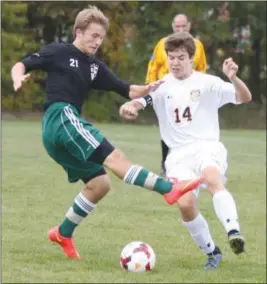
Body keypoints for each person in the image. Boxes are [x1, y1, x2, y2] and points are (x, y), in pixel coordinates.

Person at [11, 7, 204, 260]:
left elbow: (127, 89)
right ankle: (168, 188)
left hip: (60, 133)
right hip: (61, 117)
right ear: (78, 32)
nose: (97, 41)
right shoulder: (59, 51)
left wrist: (149, 88)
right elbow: (22, 64)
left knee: (99, 184)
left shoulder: (94, 67)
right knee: (115, 158)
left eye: (101, 37)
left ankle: (63, 232)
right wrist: (18, 78)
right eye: (92, 35)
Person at [120, 32, 251, 269]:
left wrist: (234, 79)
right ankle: (212, 252)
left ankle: (233, 231)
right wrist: (129, 107)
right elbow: (140, 102)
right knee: (185, 205)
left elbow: (244, 97)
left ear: (191, 57)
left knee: (212, 179)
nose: (175, 62)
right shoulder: (161, 87)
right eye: (171, 57)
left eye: (181, 57)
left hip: (206, 146)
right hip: (178, 155)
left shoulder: (208, 83)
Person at [146, 14, 207, 176]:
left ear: (189, 26)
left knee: (190, 128)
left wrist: (201, 91)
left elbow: (202, 69)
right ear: (173, 26)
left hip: (189, 95)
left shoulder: (198, 45)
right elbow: (153, 67)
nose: (180, 29)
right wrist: (151, 89)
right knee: (168, 128)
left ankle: (192, 163)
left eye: (183, 26)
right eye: (177, 26)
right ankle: (166, 164)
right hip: (167, 93)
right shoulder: (162, 44)